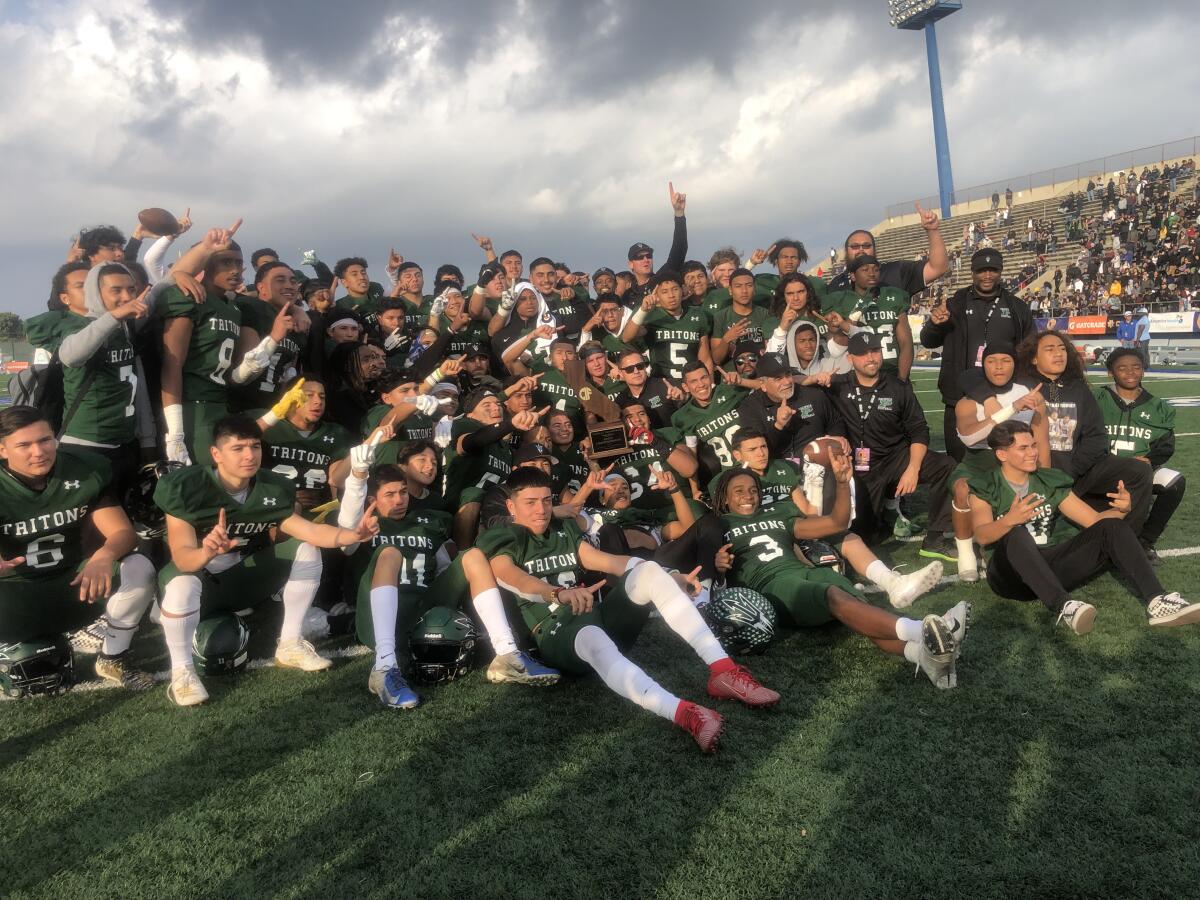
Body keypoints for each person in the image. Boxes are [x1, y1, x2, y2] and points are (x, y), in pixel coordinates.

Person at [477, 467, 779, 753]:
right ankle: (684, 714)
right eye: (529, 503)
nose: (540, 510)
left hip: (594, 613)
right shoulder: (505, 535)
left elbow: (606, 561)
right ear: (511, 506)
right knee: (593, 636)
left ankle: (724, 672)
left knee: (647, 569)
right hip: (556, 631)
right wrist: (557, 593)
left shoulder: (562, 528)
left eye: (545, 501)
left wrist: (669, 576)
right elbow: (510, 577)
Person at [154, 415, 379, 706]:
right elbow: (184, 559)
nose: (249, 455)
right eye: (238, 448)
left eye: (255, 446)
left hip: (243, 578)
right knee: (182, 584)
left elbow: (310, 530)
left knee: (306, 548)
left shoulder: (272, 487)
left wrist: (350, 535)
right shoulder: (186, 487)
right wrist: (207, 551)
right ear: (216, 453)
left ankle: (290, 643)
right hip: (198, 582)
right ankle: (182, 671)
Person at [711, 463, 966, 688]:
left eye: (753, 490)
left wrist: (843, 484)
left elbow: (836, 523)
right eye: (739, 491)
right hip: (774, 586)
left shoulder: (779, 513)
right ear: (724, 498)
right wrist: (718, 566)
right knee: (833, 595)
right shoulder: (716, 526)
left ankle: (920, 655)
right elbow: (702, 573)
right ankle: (924, 629)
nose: (748, 496)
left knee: (858, 608)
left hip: (807, 572)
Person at [336, 461, 559, 708]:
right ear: (371, 500)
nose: (399, 500)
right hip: (379, 622)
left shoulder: (429, 522)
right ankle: (385, 667)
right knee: (390, 552)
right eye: (390, 494)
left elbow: (445, 567)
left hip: (423, 611)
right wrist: (357, 518)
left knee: (472, 555)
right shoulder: (364, 527)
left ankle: (507, 654)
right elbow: (346, 544)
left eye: (402, 491)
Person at [967, 421, 1199, 633]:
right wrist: (1009, 520)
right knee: (1015, 533)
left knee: (1111, 526)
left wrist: (1122, 510)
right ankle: (1064, 606)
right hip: (1010, 578)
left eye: (1034, 446)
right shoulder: (986, 485)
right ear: (1002, 454)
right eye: (1023, 448)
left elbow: (1095, 522)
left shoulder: (1049, 480)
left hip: (1050, 567)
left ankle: (1157, 601)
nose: (1033, 453)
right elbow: (982, 535)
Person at [0, 406, 156, 691]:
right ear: (2, 449)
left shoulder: (83, 469)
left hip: (74, 584)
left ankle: (113, 656)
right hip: (13, 593)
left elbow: (123, 533)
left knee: (139, 567)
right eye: (24, 444)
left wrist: (104, 555)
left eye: (45, 440)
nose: (39, 451)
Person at [826, 333, 956, 561]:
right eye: (863, 354)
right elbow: (793, 382)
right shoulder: (837, 385)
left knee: (946, 466)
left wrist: (913, 469)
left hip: (896, 458)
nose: (870, 358)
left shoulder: (897, 387)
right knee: (866, 535)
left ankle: (935, 538)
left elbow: (919, 430)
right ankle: (885, 515)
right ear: (850, 359)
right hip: (861, 466)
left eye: (875, 351)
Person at [1016, 330, 1151, 536]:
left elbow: (1096, 437)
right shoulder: (1020, 388)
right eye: (1050, 349)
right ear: (1034, 358)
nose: (1058, 354)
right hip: (1037, 470)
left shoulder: (1078, 388)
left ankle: (1129, 540)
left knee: (1138, 471)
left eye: (1062, 349)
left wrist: (1073, 468)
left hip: (1077, 468)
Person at [920, 249, 1036, 461]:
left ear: (1001, 271)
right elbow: (928, 341)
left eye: (993, 270)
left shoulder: (1016, 307)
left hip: (1004, 396)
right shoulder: (956, 303)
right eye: (982, 270)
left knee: (1005, 457)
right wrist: (934, 325)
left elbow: (1030, 349)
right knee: (960, 459)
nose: (988, 275)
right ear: (972, 272)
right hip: (960, 395)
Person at [948, 345, 1049, 582]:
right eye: (992, 361)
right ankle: (966, 555)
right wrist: (1012, 408)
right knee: (963, 488)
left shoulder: (1030, 391)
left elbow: (1041, 439)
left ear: (1015, 364)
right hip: (978, 462)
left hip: (1019, 460)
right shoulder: (969, 400)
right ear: (983, 365)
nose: (999, 367)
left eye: (1005, 360)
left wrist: (1045, 472)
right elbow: (970, 437)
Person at [1095, 349, 1184, 563]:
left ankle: (1145, 541)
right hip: (1101, 469)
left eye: (1136, 367)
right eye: (1122, 367)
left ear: (1143, 370)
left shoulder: (1159, 407)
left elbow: (1165, 445)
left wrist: (1150, 460)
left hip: (1140, 473)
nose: (1130, 372)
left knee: (1175, 482)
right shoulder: (1096, 398)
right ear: (1110, 373)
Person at [821, 255, 914, 380]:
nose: (872, 274)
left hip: (890, 373)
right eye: (865, 270)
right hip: (856, 376)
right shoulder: (841, 300)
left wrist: (902, 379)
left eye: (876, 269)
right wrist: (856, 312)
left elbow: (906, 343)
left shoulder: (893, 296)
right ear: (853, 276)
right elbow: (835, 349)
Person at [825, 203, 948, 296]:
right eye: (855, 246)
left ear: (875, 249)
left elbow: (938, 268)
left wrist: (932, 230)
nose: (861, 250)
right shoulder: (836, 284)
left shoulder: (896, 271)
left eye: (867, 246)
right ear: (846, 252)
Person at [621, 271, 713, 383]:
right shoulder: (652, 315)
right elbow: (626, 337)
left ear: (682, 290)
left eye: (675, 289)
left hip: (693, 384)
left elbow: (705, 358)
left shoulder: (697, 314)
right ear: (656, 295)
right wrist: (643, 311)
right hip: (662, 384)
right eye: (664, 291)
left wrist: (710, 384)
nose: (671, 295)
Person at [621, 182, 689, 308]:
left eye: (649, 255)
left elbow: (679, 250)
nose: (646, 259)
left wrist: (679, 213)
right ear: (630, 264)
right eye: (640, 257)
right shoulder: (627, 295)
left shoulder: (661, 278)